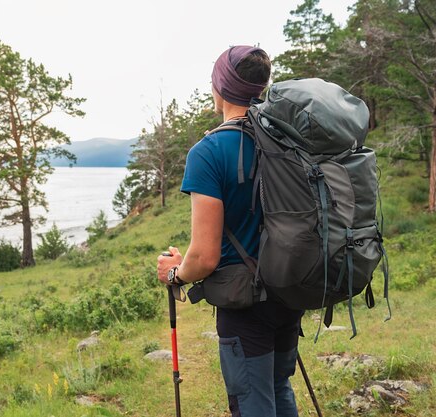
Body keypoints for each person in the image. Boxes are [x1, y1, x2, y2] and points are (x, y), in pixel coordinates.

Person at [157, 45, 304, 417]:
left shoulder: (208, 152)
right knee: (278, 387)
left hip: (246, 305)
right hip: (288, 290)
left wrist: (176, 272)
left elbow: (204, 258)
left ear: (220, 88)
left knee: (252, 402)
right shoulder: (284, 140)